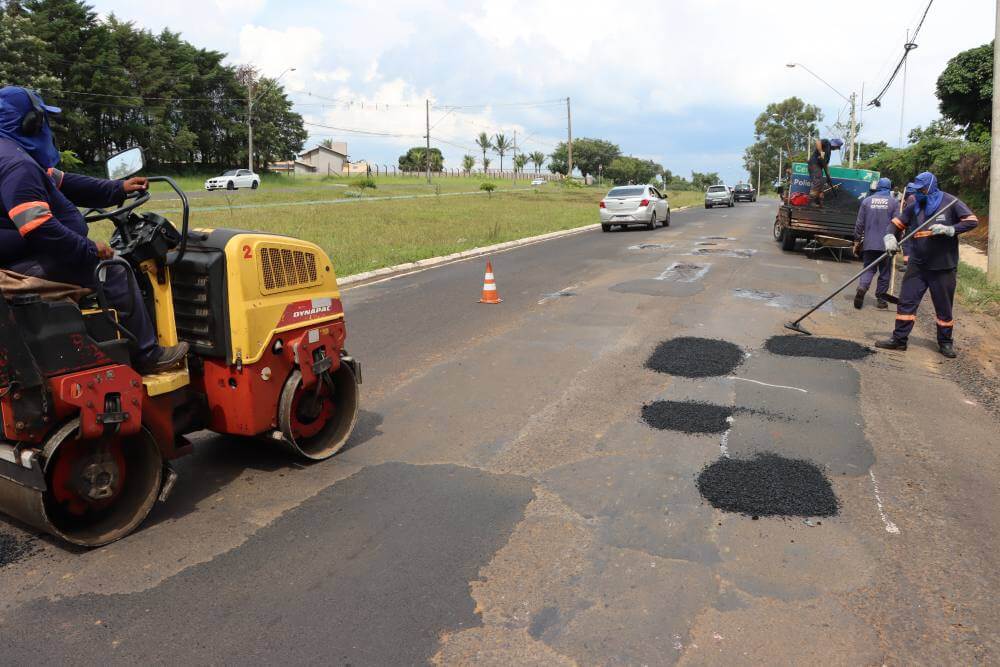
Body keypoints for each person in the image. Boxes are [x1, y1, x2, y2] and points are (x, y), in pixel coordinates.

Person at [0, 86, 188, 373]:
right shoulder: (17, 165)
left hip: (17, 257)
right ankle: (148, 356)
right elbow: (39, 229)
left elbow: (63, 182)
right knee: (113, 269)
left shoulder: (13, 155)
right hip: (19, 268)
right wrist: (89, 249)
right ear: (31, 123)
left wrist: (117, 189)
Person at [875, 171, 979, 358]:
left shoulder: (950, 202)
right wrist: (890, 235)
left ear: (930, 187)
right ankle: (899, 340)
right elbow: (897, 223)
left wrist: (951, 229)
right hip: (918, 264)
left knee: (943, 307)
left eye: (921, 189)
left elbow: (972, 221)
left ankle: (945, 342)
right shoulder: (914, 204)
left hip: (943, 266)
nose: (918, 193)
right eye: (916, 189)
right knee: (906, 302)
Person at [852, 177, 898, 309]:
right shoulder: (893, 203)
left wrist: (856, 240)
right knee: (884, 272)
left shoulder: (866, 201)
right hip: (887, 244)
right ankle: (881, 300)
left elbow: (859, 223)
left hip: (869, 243)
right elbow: (898, 224)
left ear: (877, 187)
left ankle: (862, 288)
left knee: (869, 268)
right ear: (889, 188)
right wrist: (898, 241)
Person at [807, 137, 844, 207]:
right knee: (817, 181)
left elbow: (825, 165)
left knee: (821, 182)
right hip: (814, 164)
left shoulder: (828, 153)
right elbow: (818, 142)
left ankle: (818, 202)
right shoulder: (827, 143)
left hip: (819, 167)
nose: (836, 149)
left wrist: (828, 176)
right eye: (837, 148)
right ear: (835, 145)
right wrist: (821, 152)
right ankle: (811, 201)